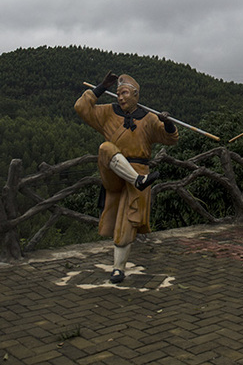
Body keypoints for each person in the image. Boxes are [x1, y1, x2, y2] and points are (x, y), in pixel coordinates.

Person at [75, 72, 179, 283]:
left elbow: (171, 138)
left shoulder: (149, 119)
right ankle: (136, 180)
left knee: (127, 221)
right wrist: (102, 86)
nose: (120, 98)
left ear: (135, 95)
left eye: (124, 93)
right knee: (105, 148)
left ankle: (118, 269)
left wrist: (167, 123)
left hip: (139, 168)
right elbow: (81, 108)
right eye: (118, 93)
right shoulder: (107, 113)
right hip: (114, 172)